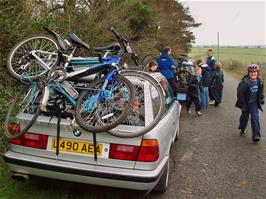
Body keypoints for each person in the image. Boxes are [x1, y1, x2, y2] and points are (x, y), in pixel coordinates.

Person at [235, 64, 264, 142]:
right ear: (248, 72)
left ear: (257, 72)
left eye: (254, 72)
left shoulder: (260, 81)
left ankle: (256, 135)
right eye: (251, 72)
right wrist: (243, 105)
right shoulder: (244, 83)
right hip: (245, 103)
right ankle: (242, 128)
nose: (253, 73)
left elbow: (261, 91)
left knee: (255, 118)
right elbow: (239, 95)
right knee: (244, 117)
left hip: (254, 103)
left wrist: (261, 98)